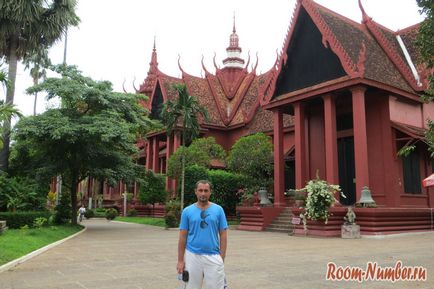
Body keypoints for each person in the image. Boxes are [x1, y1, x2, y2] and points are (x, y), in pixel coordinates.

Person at [177, 180, 228, 289]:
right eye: (200, 190)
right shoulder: (187, 211)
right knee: (191, 287)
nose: (203, 193)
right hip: (192, 256)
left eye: (206, 190)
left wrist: (221, 257)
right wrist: (180, 260)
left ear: (210, 192)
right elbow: (182, 236)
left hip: (213, 255)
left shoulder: (218, 210)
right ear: (196, 191)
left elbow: (223, 234)